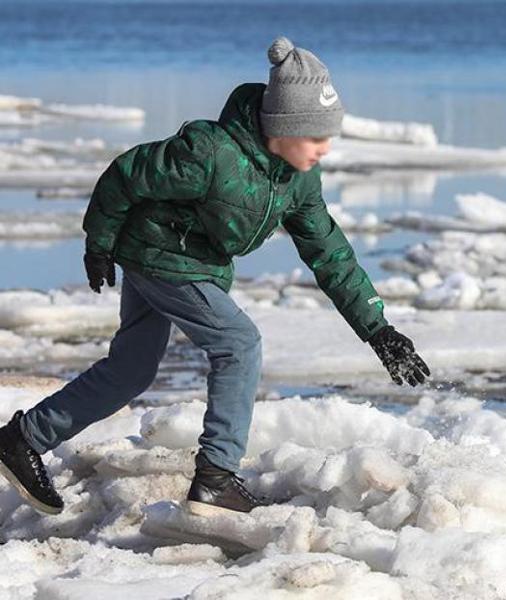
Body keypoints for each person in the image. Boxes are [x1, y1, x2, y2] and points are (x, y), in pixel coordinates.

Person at [0, 36, 430, 517]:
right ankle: (216, 478)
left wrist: (379, 330)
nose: (325, 149)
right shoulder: (209, 152)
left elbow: (329, 251)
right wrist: (98, 243)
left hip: (188, 263)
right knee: (239, 343)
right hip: (161, 256)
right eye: (316, 136)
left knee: (132, 370)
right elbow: (126, 174)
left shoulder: (298, 180)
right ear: (282, 127)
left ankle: (21, 439)